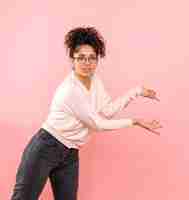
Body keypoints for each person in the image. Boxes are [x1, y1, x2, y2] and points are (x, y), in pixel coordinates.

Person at [10, 26, 162, 200]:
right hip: (46, 147)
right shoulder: (70, 90)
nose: (87, 63)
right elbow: (97, 124)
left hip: (70, 153)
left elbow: (107, 110)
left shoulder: (95, 81)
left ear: (97, 60)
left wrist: (136, 91)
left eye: (92, 58)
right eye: (81, 58)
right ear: (72, 60)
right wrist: (134, 121)